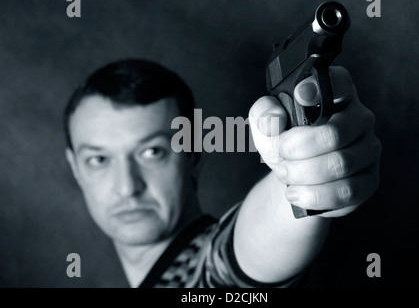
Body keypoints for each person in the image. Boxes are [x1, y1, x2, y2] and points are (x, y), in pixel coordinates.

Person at [63, 59, 381, 287]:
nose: (127, 187)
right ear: (75, 168)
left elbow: (230, 264)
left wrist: (298, 176)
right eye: (98, 159)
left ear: (194, 156)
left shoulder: (203, 278)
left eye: (152, 152)